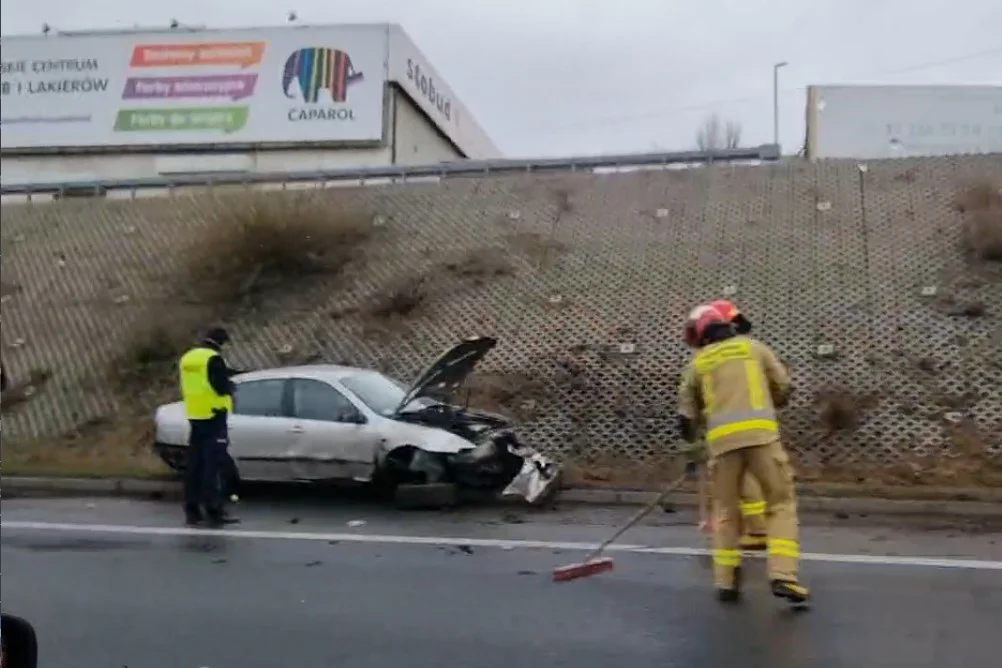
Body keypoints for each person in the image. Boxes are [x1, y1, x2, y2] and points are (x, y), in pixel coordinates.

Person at [677, 306, 809, 605]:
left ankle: (726, 581)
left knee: (725, 511)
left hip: (722, 447)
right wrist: (769, 400)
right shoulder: (754, 349)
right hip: (762, 440)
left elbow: (686, 417)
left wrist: (692, 449)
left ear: (701, 335)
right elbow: (784, 388)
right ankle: (783, 575)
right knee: (780, 503)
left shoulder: (697, 364)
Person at [684, 303, 767, 551]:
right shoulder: (743, 350)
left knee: (734, 476)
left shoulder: (712, 353)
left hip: (732, 424)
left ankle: (754, 529)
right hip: (751, 419)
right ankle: (746, 526)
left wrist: (692, 444)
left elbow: (691, 407)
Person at [178, 327, 240, 527]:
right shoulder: (213, 358)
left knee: (195, 465)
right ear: (221, 342)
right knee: (213, 466)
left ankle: (192, 510)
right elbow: (220, 386)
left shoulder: (188, 358)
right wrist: (231, 387)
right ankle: (214, 509)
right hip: (214, 415)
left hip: (195, 415)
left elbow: (201, 381)